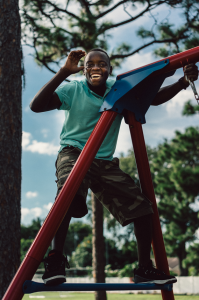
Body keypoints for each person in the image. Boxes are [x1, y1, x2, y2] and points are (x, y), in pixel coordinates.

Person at [30, 49, 198, 286]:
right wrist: (63, 72)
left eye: (102, 64)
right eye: (90, 64)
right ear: (84, 68)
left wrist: (182, 81)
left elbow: (154, 97)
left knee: (143, 208)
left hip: (103, 162)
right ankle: (55, 258)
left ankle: (143, 268)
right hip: (74, 153)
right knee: (67, 191)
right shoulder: (74, 88)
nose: (95, 67)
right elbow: (37, 106)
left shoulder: (118, 89)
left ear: (109, 69)